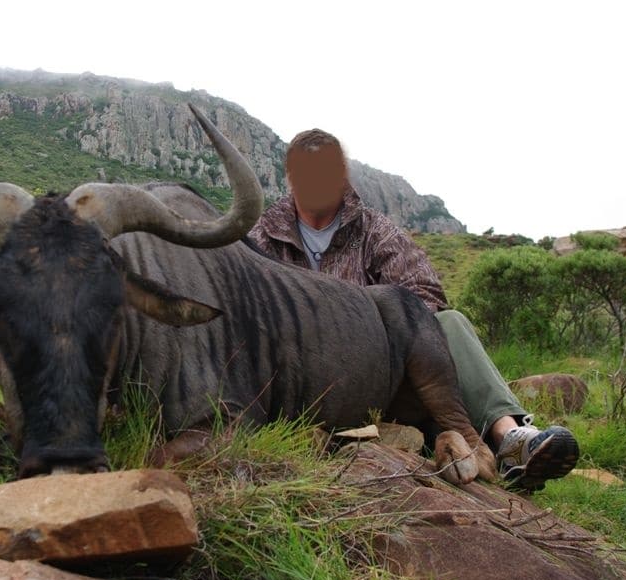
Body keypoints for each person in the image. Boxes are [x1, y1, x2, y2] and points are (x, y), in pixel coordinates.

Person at [247, 128, 579, 491]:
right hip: (299, 371)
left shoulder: (375, 230)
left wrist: (361, 324)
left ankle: (511, 439)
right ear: (289, 176)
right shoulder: (262, 235)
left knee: (448, 322)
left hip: (385, 363)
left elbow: (425, 294)